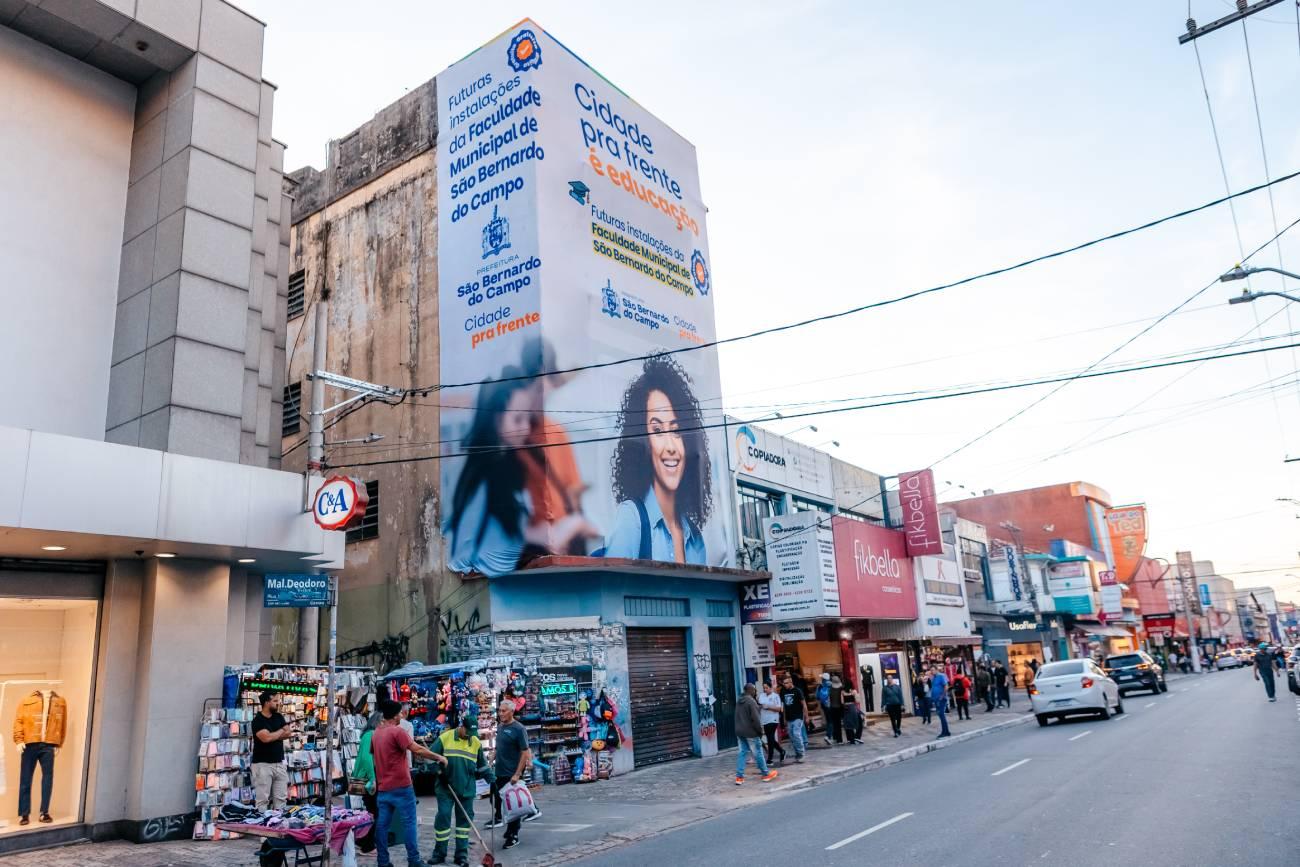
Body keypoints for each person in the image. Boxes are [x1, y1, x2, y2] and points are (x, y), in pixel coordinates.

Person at [446, 370, 597, 577]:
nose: (526, 429)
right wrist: (563, 529)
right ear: (496, 421)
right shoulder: (490, 471)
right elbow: (500, 540)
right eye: (517, 419)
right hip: (494, 579)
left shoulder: (511, 463)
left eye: (527, 419)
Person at [605, 354, 713, 564]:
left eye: (676, 431)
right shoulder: (631, 520)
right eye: (657, 430)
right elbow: (611, 592)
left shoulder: (695, 539)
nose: (671, 447)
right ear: (642, 443)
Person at [373, 699, 444, 867]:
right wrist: (438, 757)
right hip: (401, 786)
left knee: (382, 826)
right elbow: (417, 749)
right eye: (399, 712)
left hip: (383, 787)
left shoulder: (377, 733)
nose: (401, 715)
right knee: (409, 824)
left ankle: (383, 861)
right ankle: (414, 860)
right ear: (394, 715)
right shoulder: (397, 732)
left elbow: (375, 758)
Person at [430, 715, 493, 866]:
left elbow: (482, 766)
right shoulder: (446, 738)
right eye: (467, 733)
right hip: (446, 788)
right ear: (461, 726)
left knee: (463, 825)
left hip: (467, 789)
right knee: (443, 817)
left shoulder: (475, 742)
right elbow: (430, 758)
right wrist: (439, 773)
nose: (469, 737)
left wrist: (492, 781)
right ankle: (439, 853)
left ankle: (461, 855)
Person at [488, 699, 534, 850]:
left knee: (513, 805)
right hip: (499, 772)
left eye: (504, 711)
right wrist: (492, 757)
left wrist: (517, 773)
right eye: (499, 711)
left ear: (512, 711)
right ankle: (507, 827)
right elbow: (498, 746)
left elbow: (525, 752)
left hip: (511, 774)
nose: (500, 713)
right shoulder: (500, 727)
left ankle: (513, 834)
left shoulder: (519, 729)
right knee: (497, 800)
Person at [251, 691, 296, 812]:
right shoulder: (258, 720)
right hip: (262, 765)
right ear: (266, 703)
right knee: (262, 801)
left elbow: (288, 733)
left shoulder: (278, 717)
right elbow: (266, 738)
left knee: (281, 799)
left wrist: (274, 734)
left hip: (279, 763)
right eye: (275, 701)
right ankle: (262, 827)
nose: (278, 703)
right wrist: (281, 731)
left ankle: (278, 824)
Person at [349, 711, 385, 854]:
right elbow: (366, 758)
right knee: (374, 812)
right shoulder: (370, 735)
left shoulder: (369, 735)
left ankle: (364, 842)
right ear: (377, 722)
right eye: (382, 722)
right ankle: (366, 844)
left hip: (368, 777)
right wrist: (373, 778)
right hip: (368, 778)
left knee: (372, 811)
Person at [734, 684, 778, 784]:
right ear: (750, 690)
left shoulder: (739, 701)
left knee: (742, 753)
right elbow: (756, 719)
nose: (755, 692)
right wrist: (760, 732)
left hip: (740, 732)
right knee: (758, 753)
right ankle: (766, 774)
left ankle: (739, 777)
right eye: (754, 690)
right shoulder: (751, 701)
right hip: (751, 732)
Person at [779, 674, 808, 763]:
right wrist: (784, 718)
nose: (785, 685)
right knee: (792, 737)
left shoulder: (797, 691)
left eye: (787, 683)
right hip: (789, 717)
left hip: (798, 717)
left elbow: (804, 704)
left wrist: (806, 716)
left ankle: (802, 753)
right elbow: (783, 706)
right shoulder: (783, 691)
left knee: (796, 734)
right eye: (784, 683)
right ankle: (797, 753)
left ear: (791, 682)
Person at [759, 680, 786, 765]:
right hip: (764, 720)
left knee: (770, 738)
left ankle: (770, 758)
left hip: (773, 719)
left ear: (771, 688)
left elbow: (779, 709)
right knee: (770, 738)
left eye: (767, 688)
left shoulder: (776, 696)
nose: (765, 689)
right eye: (764, 688)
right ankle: (782, 751)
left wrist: (768, 707)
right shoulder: (761, 696)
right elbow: (760, 705)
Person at [930, 669, 951, 738]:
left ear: (936, 670)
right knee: (940, 715)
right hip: (936, 699)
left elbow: (946, 687)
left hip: (941, 699)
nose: (932, 672)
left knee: (941, 715)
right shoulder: (934, 678)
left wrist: (942, 696)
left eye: (933, 670)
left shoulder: (941, 676)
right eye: (931, 671)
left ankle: (945, 732)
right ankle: (946, 731)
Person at [826, 674, 846, 745]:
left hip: (832, 708)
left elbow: (828, 699)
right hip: (840, 708)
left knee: (835, 724)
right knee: (840, 724)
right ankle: (841, 739)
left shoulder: (830, 689)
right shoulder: (841, 688)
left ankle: (836, 738)